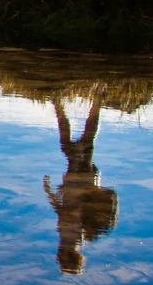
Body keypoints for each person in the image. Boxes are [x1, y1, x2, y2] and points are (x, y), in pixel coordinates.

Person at [43, 96, 118, 275]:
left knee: (79, 143)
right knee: (78, 143)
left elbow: (66, 213)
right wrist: (51, 194)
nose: (57, 256)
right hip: (79, 180)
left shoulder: (78, 240)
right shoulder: (71, 239)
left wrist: (54, 194)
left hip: (84, 181)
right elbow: (66, 213)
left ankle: (90, 105)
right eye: (61, 259)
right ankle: (73, 104)